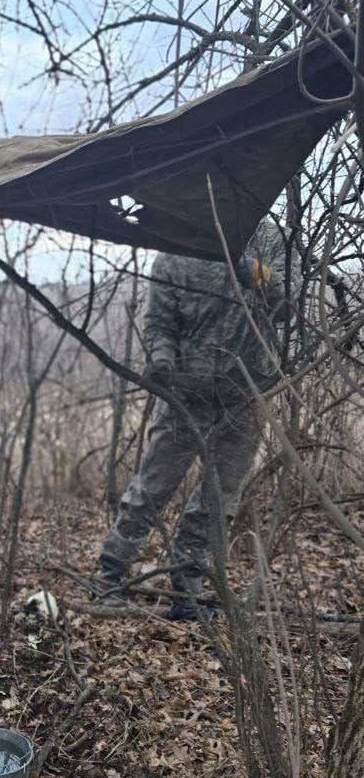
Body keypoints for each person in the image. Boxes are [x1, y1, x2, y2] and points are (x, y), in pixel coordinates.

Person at [95, 220, 290, 619]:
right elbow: (160, 324)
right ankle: (108, 579)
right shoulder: (175, 245)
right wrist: (162, 361)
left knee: (218, 501)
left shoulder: (269, 238)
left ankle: (188, 594)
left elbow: (288, 304)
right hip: (187, 393)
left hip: (246, 393)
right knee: (152, 488)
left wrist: (254, 273)